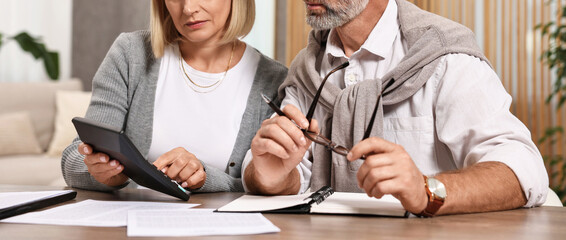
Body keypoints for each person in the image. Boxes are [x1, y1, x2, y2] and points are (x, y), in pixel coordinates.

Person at [243, 0, 549, 216]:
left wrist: (428, 190)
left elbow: (523, 172)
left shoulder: (445, 56)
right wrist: (274, 177)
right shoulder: (307, 70)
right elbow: (287, 177)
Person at [62, 0, 287, 192]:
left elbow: (260, 185)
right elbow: (73, 159)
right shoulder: (132, 54)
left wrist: (204, 179)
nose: (188, 8)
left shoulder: (273, 80)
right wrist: (103, 173)